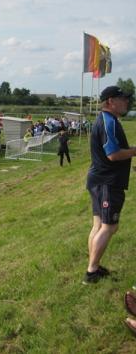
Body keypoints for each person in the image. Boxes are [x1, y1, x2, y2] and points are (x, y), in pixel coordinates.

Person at [83, 86, 136, 284]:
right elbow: (113, 154)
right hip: (107, 183)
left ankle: (93, 266)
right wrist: (135, 151)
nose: (127, 102)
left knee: (98, 225)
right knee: (109, 227)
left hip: (100, 180)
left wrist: (130, 151)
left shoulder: (109, 121)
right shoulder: (108, 122)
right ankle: (91, 272)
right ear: (110, 101)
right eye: (122, 99)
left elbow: (116, 150)